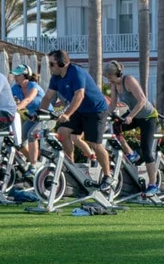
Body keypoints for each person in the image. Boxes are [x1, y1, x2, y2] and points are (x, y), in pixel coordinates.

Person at [43, 49, 112, 187]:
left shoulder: (76, 72)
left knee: (95, 145)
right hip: (79, 110)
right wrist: (39, 113)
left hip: (95, 110)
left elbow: (79, 95)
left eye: (51, 64)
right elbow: (47, 97)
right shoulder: (55, 77)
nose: (49, 67)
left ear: (61, 64)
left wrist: (67, 114)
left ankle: (107, 176)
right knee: (62, 132)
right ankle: (71, 168)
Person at [105, 62, 162, 194]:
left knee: (147, 150)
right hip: (135, 115)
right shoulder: (114, 85)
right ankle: (132, 154)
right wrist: (104, 116)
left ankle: (153, 185)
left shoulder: (129, 80)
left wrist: (130, 116)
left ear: (118, 74)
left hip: (148, 116)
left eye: (111, 77)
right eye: (107, 78)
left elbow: (142, 100)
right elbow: (113, 104)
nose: (109, 80)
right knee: (115, 128)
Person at [9, 65, 45, 163]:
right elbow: (6, 98)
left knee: (31, 134)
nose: (15, 77)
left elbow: (27, 100)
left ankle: (33, 166)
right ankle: (31, 160)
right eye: (14, 75)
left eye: (18, 75)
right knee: (19, 139)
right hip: (33, 117)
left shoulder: (34, 86)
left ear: (25, 75)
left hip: (46, 116)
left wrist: (16, 108)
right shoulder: (16, 88)